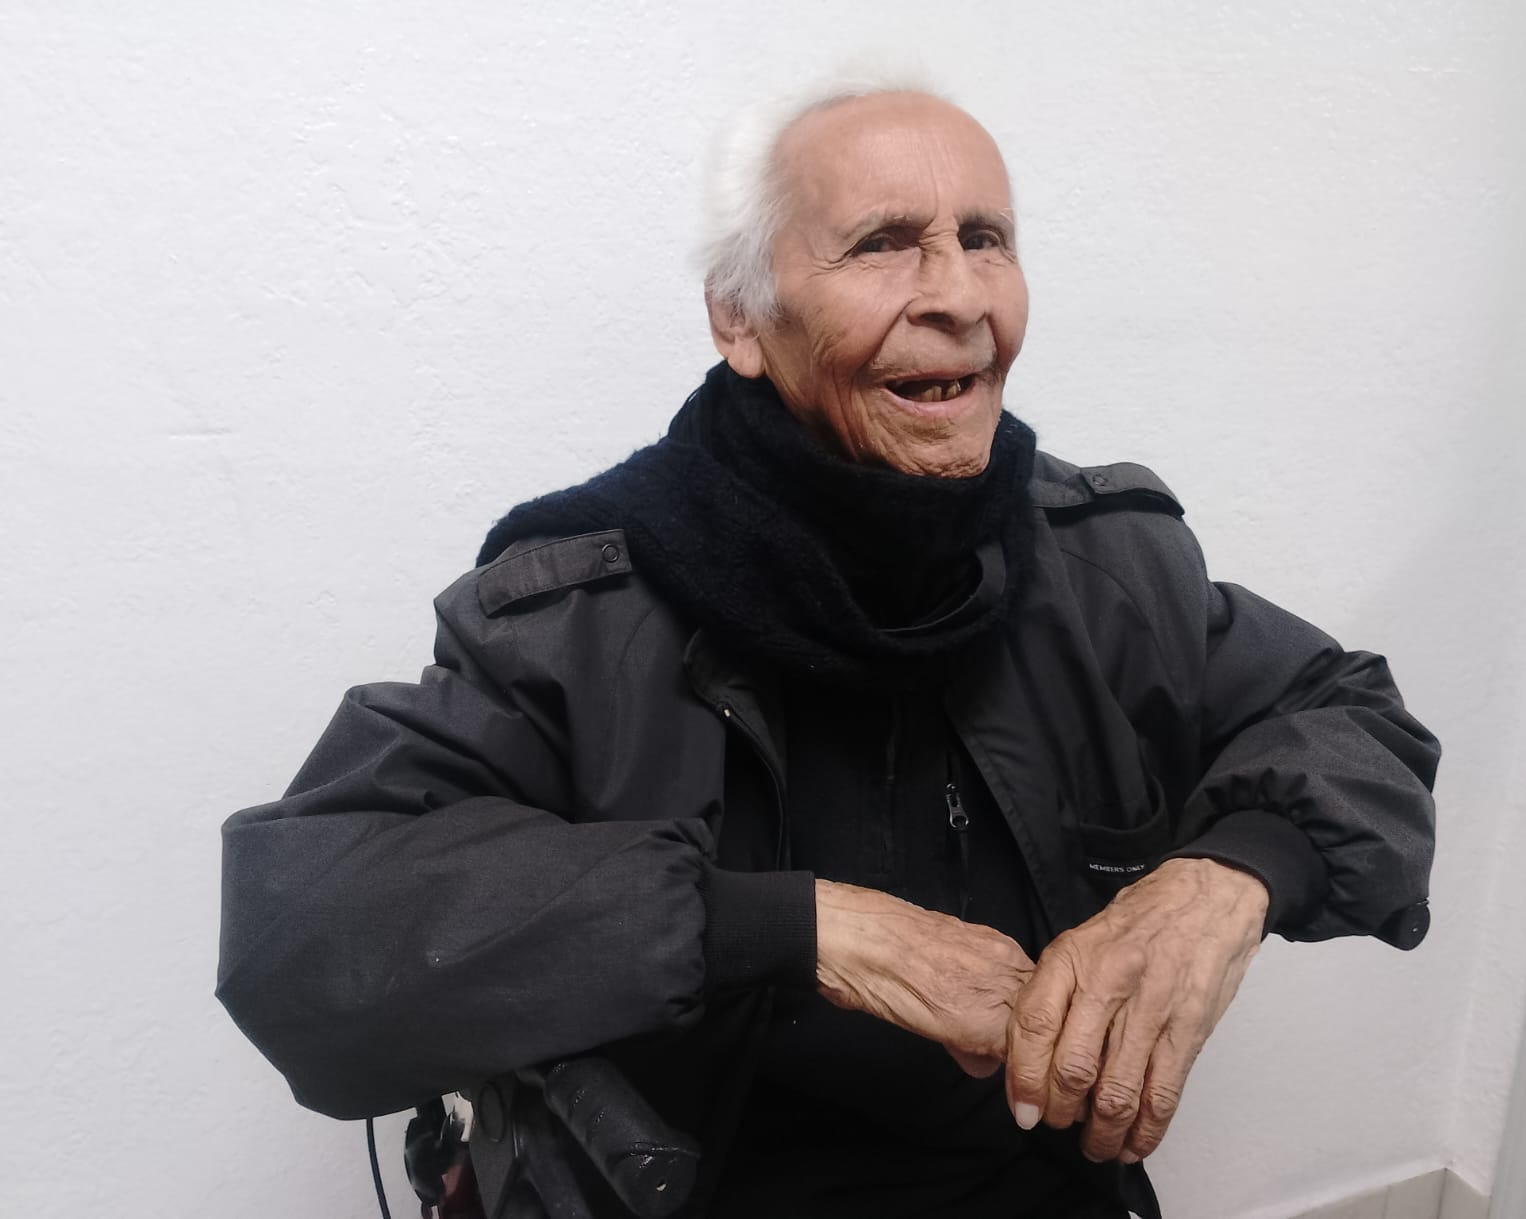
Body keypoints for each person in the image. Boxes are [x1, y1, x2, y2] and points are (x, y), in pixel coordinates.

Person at [217, 77, 1438, 1219]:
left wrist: (1221, 880)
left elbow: (1351, 720)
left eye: (985, 238)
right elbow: (304, 938)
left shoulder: (1103, 567)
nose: (959, 296)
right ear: (740, 317)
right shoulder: (570, 619)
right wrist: (792, 929)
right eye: (883, 243)